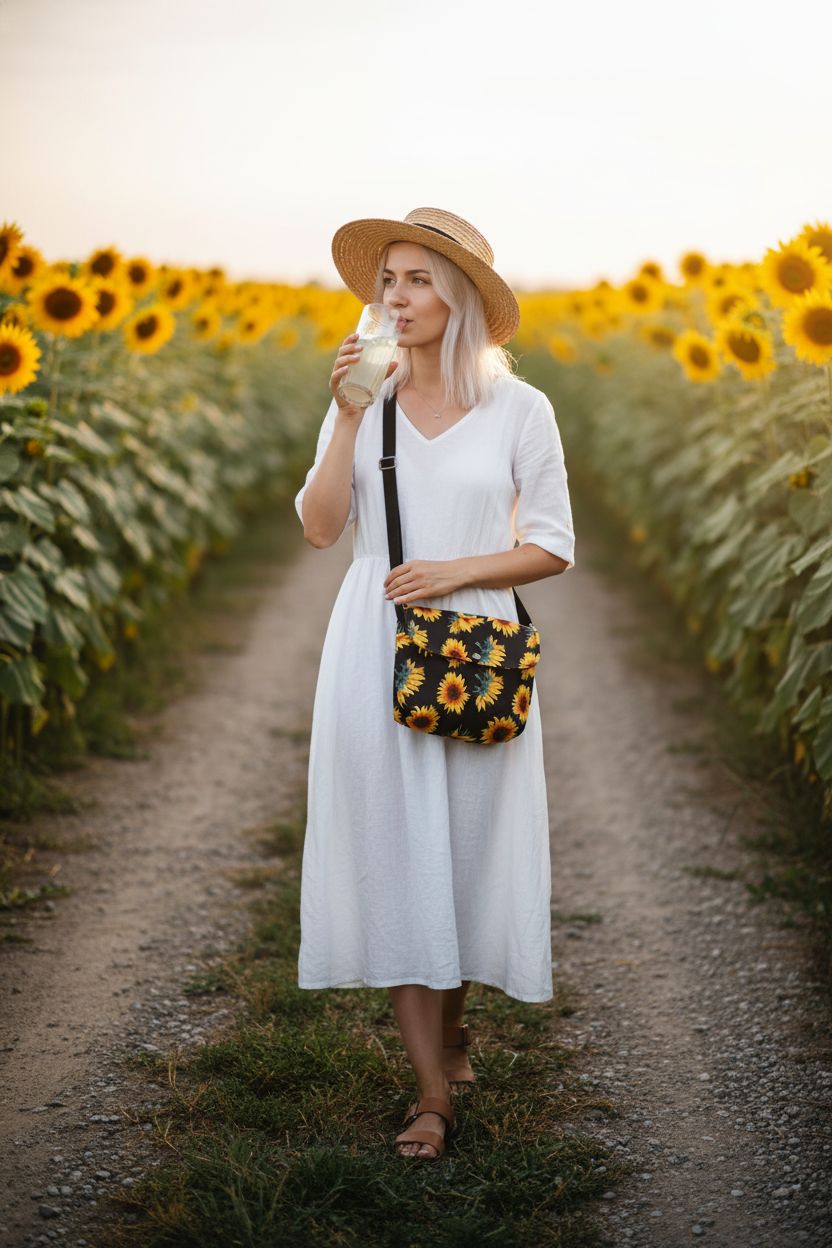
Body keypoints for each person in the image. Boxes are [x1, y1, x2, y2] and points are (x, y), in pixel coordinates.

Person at [294, 207, 576, 1160]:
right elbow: (322, 529)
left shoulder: (520, 410)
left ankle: (454, 1032)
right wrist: (340, 420)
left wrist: (456, 572)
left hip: (474, 651)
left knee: (458, 852)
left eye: (417, 279)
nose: (397, 297)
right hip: (374, 646)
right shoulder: (363, 398)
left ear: (458, 297)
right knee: (399, 855)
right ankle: (430, 1096)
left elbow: (552, 547)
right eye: (389, 281)